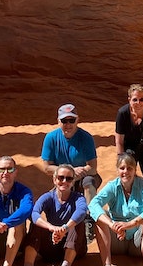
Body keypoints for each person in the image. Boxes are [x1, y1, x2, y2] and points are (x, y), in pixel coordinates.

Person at [41, 103, 101, 240]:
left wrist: (79, 173)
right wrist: (70, 172)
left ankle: (89, 219)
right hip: (63, 178)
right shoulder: (51, 138)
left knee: (89, 183)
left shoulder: (86, 138)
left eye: (71, 120)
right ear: (58, 121)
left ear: (77, 120)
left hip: (83, 176)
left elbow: (93, 167)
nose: (68, 124)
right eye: (64, 121)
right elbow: (46, 167)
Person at [88, 152, 143, 266]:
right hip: (116, 238)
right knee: (100, 218)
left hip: (137, 241)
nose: (125, 172)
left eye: (129, 168)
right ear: (117, 170)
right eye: (122, 168)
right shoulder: (112, 186)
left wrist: (132, 223)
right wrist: (112, 224)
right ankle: (107, 264)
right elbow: (93, 204)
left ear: (135, 170)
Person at [24, 164, 88, 266]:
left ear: (73, 182)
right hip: (51, 245)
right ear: (54, 179)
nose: (64, 181)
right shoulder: (48, 197)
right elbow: (35, 213)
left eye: (69, 179)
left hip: (74, 246)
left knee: (78, 223)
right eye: (61, 178)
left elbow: (82, 211)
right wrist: (53, 228)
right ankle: (28, 264)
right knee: (36, 224)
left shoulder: (78, 198)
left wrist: (65, 228)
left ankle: (66, 264)